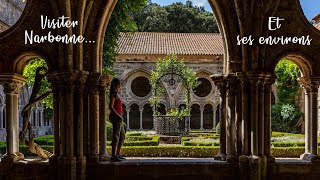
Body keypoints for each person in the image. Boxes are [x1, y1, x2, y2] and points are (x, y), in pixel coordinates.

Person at [109, 78, 126, 162]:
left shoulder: (116, 94)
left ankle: (118, 154)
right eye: (119, 84)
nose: (120, 86)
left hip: (119, 118)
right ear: (116, 85)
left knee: (122, 136)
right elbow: (111, 106)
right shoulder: (113, 94)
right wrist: (118, 116)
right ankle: (113, 155)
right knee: (116, 136)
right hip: (115, 117)